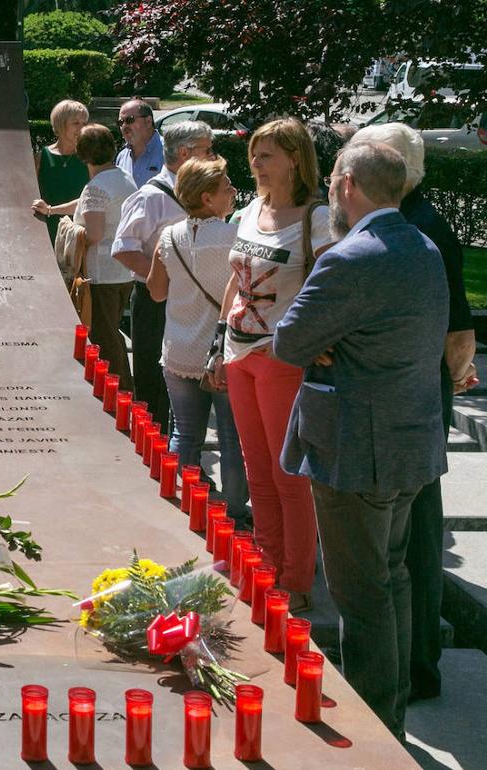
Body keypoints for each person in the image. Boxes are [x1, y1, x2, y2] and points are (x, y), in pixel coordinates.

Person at [273, 141, 448, 737]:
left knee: (362, 596)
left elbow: (289, 342)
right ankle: (392, 716)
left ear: (347, 185)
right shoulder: (423, 244)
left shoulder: (351, 258)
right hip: (408, 443)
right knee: (392, 579)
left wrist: (331, 343)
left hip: (355, 450)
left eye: (332, 186)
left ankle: (378, 734)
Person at [352, 123, 477, 701]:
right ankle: (410, 664)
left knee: (414, 543)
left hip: (411, 403)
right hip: (416, 399)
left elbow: (458, 329)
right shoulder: (412, 224)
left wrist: (451, 378)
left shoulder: (420, 229)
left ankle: (416, 665)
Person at [211, 118, 331, 612]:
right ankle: (266, 566)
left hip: (283, 358)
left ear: (295, 160)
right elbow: (234, 282)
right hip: (239, 353)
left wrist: (316, 338)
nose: (255, 164)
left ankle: (297, 580)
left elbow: (331, 286)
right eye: (254, 154)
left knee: (289, 475)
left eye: (266, 155)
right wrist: (218, 342)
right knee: (256, 470)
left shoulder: (316, 217)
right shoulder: (250, 211)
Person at [146, 157, 249, 524]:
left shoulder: (168, 237)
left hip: (178, 349)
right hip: (222, 352)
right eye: (226, 187)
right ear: (207, 198)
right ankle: (236, 513)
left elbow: (156, 292)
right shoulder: (236, 237)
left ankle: (187, 504)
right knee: (232, 439)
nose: (233, 192)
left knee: (184, 433)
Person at [111, 120, 214, 433]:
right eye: (206, 150)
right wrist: (164, 281)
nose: (212, 156)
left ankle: (180, 451)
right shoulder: (151, 197)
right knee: (154, 382)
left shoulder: (200, 192)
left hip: (190, 302)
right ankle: (156, 453)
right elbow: (123, 248)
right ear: (184, 153)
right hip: (155, 303)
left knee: (188, 380)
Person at [35, 123, 136, 390]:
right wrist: (53, 210)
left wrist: (69, 228)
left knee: (106, 340)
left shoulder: (97, 187)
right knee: (112, 335)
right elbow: (84, 203)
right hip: (123, 272)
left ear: (82, 156)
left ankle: (121, 395)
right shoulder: (122, 177)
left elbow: (93, 234)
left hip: (101, 275)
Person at [34, 99, 90, 247]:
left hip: (79, 233)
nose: (81, 128)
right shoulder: (42, 156)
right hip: (46, 230)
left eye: (84, 124)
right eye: (76, 123)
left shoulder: (89, 157)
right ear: (60, 123)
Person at [115, 98, 164, 187]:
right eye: (120, 122)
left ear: (148, 121)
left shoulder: (168, 152)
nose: (124, 126)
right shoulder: (121, 157)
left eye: (130, 120)